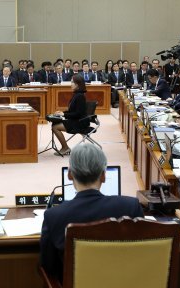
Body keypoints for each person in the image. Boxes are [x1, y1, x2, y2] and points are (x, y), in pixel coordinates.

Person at [40, 143, 144, 283]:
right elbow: (141, 256)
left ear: (70, 175)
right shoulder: (131, 207)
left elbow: (48, 266)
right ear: (103, 176)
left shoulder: (54, 216)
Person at [50, 74, 89, 156]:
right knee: (55, 124)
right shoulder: (76, 94)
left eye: (72, 82)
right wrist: (62, 113)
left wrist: (64, 114)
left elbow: (78, 114)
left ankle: (65, 148)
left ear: (77, 84)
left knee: (55, 127)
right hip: (76, 120)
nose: (70, 84)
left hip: (80, 123)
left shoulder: (80, 96)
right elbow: (72, 111)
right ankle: (64, 147)